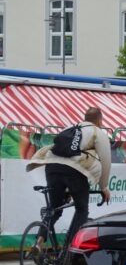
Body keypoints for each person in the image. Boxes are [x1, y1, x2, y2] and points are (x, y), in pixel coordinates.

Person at [26, 107, 112, 253]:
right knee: (82, 209)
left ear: (85, 118)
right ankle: (69, 250)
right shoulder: (98, 133)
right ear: (99, 120)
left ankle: (39, 242)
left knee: (54, 209)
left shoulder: (70, 128)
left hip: (52, 167)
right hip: (74, 171)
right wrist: (103, 187)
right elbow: (106, 162)